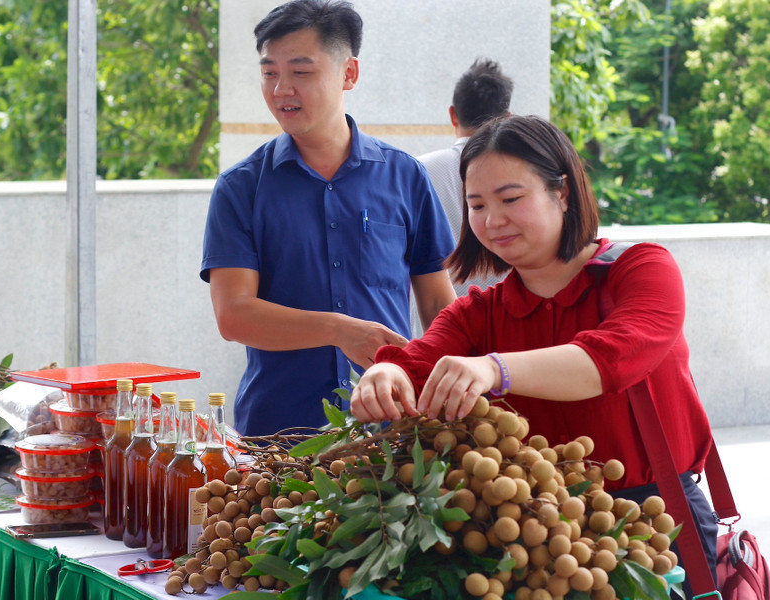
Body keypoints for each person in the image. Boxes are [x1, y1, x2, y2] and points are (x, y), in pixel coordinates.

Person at [350, 114, 718, 597]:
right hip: (534, 536)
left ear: (561, 192)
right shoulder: (476, 313)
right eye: (476, 205)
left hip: (656, 523)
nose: (491, 220)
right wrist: (384, 374)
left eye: (510, 199)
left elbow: (610, 358)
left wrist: (494, 369)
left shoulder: (642, 269)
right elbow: (415, 362)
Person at [200, 0, 456, 437]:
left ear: (348, 73)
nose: (281, 89)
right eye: (269, 73)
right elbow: (234, 315)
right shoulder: (240, 188)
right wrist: (338, 330)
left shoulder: (405, 176)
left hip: (394, 432)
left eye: (300, 72)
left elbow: (437, 305)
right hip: (279, 438)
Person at [417, 58, 514, 295]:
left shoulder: (417, 170)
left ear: (453, 114)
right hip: (505, 308)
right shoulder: (523, 172)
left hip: (432, 314)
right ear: (507, 118)